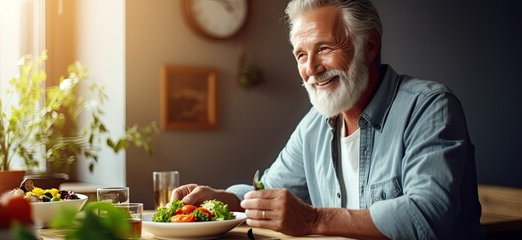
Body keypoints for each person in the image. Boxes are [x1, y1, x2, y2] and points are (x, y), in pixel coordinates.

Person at [171, 0, 485, 239]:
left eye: (325, 48)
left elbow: (427, 215)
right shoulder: (315, 123)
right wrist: (223, 198)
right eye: (301, 55)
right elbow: (271, 189)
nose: (312, 68)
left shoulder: (429, 107)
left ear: (369, 45)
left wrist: (312, 219)